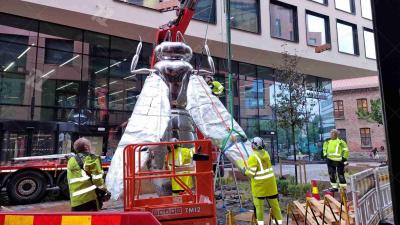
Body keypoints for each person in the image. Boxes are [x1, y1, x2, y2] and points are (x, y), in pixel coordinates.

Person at [243, 137, 282, 225]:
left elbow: (251, 173)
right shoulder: (266, 154)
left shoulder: (253, 157)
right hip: (271, 186)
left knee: (259, 208)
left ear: (253, 145)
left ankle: (260, 224)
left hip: (260, 188)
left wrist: (244, 171)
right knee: (275, 206)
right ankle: (278, 223)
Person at [67, 137, 109, 211]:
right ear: (86, 147)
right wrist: (105, 191)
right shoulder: (92, 159)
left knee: (77, 221)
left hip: (75, 200)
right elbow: (97, 180)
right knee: (91, 221)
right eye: (89, 145)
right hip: (89, 198)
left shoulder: (71, 160)